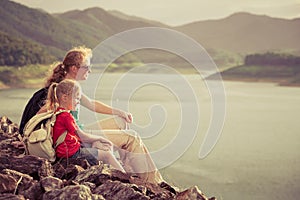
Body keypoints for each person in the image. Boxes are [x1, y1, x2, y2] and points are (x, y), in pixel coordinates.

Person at [19, 46, 164, 184]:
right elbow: (39, 116)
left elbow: (92, 104)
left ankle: (128, 166)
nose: (90, 71)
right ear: (74, 68)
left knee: (120, 121)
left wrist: (120, 112)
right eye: (87, 67)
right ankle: (153, 182)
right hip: (74, 137)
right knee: (132, 137)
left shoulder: (69, 85)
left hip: (76, 130)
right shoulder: (64, 91)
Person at [47, 79, 125, 172]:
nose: (78, 102)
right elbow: (82, 136)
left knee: (98, 146)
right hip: (72, 154)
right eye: (76, 98)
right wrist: (100, 138)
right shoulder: (66, 116)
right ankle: (127, 178)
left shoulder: (58, 113)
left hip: (68, 151)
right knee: (107, 155)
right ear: (64, 98)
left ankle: (109, 172)